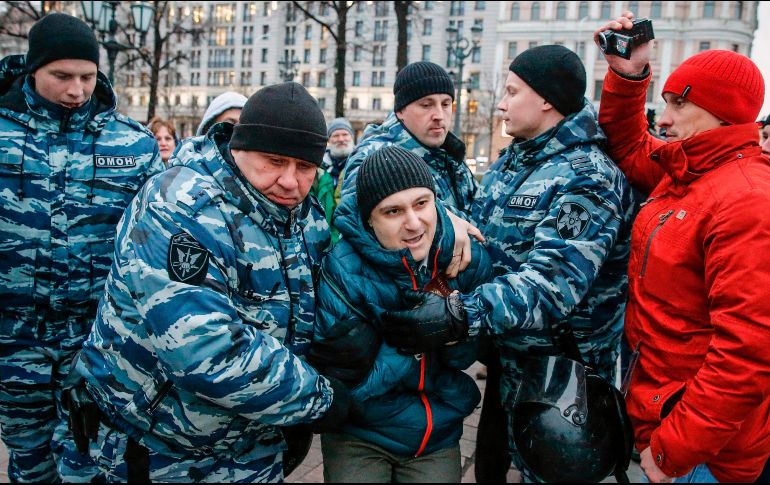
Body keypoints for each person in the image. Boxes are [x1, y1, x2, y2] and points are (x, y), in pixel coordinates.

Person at [380, 45, 635, 482]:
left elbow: (551, 287)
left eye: (513, 91)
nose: (501, 102)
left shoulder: (587, 176)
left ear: (546, 99)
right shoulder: (511, 165)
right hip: (508, 367)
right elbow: (481, 245)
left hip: (563, 386)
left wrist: (459, 315)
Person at [74, 82, 351, 482]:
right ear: (239, 147)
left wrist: (447, 233)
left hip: (250, 443)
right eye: (274, 161)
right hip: (162, 448)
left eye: (305, 167)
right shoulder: (182, 206)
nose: (291, 181)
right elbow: (205, 350)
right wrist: (320, 399)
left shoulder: (301, 216)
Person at [596, 12, 770, 483]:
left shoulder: (747, 199)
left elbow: (746, 353)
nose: (665, 118)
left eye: (678, 104)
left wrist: (674, 449)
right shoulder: (688, 169)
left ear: (723, 112)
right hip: (662, 416)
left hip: (702, 456)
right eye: (665, 101)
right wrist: (628, 75)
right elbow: (630, 145)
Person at [0, 13, 164, 483]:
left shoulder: (132, 144)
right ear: (32, 70)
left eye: (87, 77)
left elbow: (150, 243)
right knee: (29, 460)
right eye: (61, 76)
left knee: (93, 462)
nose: (76, 90)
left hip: (97, 338)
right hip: (15, 339)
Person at [310, 145, 492, 483]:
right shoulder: (342, 271)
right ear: (369, 220)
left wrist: (452, 325)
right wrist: (410, 342)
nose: (413, 223)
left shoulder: (464, 257)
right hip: (361, 434)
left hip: (437, 430)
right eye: (392, 212)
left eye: (422, 204)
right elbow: (346, 387)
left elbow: (470, 353)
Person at [339, 61, 482, 277]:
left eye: (445, 104)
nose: (439, 115)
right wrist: (442, 216)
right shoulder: (376, 153)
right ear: (400, 111)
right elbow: (353, 211)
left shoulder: (449, 156)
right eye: (426, 105)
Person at [312, 117, 355, 244]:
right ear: (329, 140)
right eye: (335, 135)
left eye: (345, 134)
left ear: (352, 137)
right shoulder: (317, 167)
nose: (341, 139)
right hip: (321, 233)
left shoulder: (362, 164)